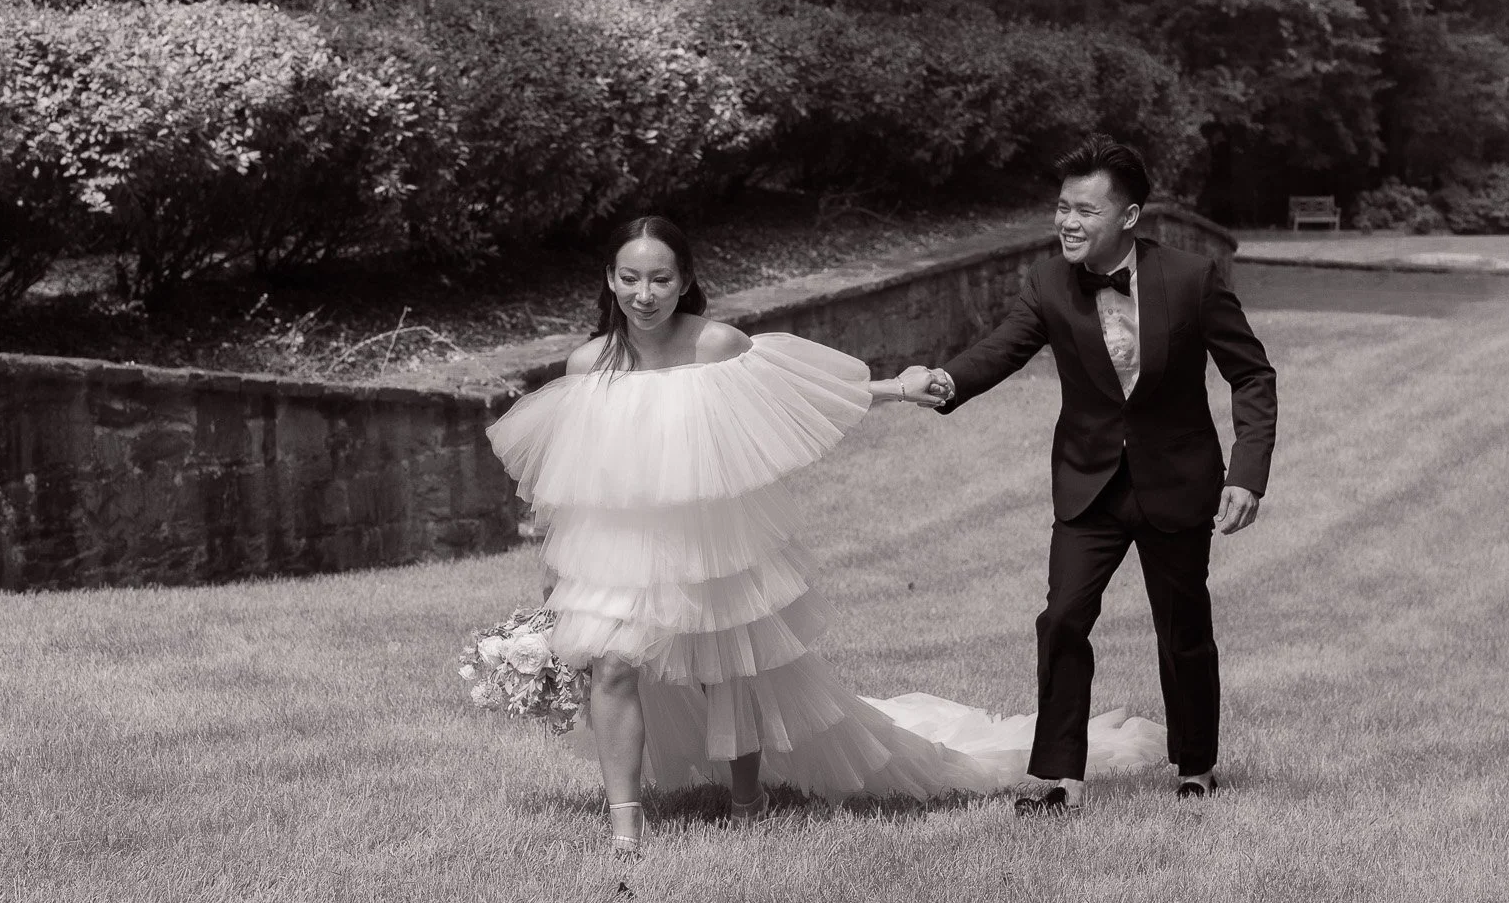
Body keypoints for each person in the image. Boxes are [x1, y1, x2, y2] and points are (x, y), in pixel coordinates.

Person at [485, 215, 1164, 855]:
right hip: (617, 550)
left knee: (728, 668)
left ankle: (748, 804)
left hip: (711, 544)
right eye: (630, 278)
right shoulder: (588, 365)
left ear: (686, 280)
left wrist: (896, 391)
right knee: (613, 666)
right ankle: (624, 833)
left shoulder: (715, 346)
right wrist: (556, 570)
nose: (645, 293)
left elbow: (799, 394)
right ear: (609, 280)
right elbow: (568, 481)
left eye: (661, 278)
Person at [905, 136, 1278, 816]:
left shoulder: (1191, 279)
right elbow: (1003, 348)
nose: (1068, 223)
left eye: (1085, 210)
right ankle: (1058, 778)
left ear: (1129, 217)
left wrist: (1248, 472)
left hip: (1178, 481)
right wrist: (947, 381)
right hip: (1088, 484)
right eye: (1061, 208)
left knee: (1184, 626)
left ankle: (1196, 765)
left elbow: (1251, 374)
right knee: (1062, 619)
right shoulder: (1047, 281)